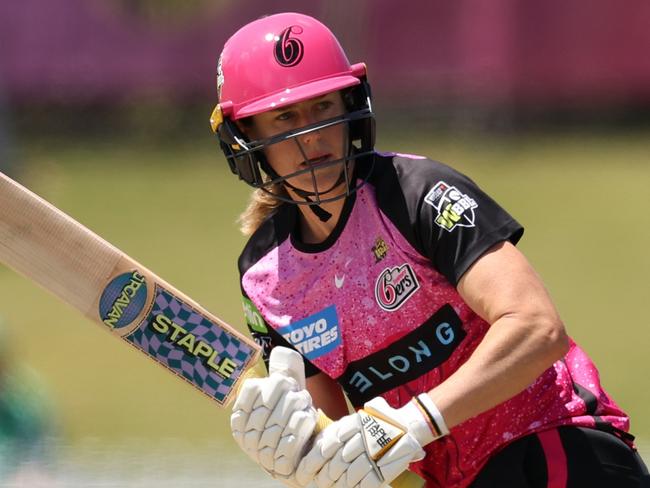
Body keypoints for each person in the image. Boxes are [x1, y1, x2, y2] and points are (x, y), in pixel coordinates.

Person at [211, 12, 650, 488]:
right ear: (246, 137)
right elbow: (342, 443)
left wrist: (417, 419)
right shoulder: (265, 278)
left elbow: (536, 329)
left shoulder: (418, 194)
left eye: (322, 107)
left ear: (350, 105)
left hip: (552, 445)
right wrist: (297, 455)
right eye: (285, 116)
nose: (311, 134)